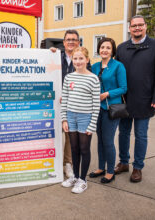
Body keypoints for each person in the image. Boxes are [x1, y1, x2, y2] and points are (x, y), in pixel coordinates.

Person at [114, 15, 155, 182]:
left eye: (140, 25)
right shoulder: (122, 48)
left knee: (141, 135)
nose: (137, 28)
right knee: (123, 133)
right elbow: (116, 73)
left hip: (145, 98)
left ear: (145, 27)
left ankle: (137, 167)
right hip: (124, 99)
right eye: (134, 25)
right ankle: (123, 163)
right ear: (129, 28)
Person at [50, 30, 91, 178]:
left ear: (78, 42)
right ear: (63, 42)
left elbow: (86, 81)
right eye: (68, 39)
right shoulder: (55, 55)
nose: (71, 42)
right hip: (52, 101)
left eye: (74, 39)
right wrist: (48, 53)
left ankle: (68, 164)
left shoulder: (82, 60)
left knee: (69, 136)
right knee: (53, 132)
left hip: (71, 104)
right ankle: (52, 163)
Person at [60, 47, 100, 194]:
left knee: (84, 149)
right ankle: (75, 177)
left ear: (87, 60)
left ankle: (83, 180)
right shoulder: (68, 77)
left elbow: (96, 104)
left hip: (85, 118)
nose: (78, 61)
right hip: (70, 116)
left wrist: (92, 124)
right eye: (75, 58)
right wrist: (64, 119)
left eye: (81, 58)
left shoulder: (93, 78)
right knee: (74, 149)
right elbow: (65, 100)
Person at [89, 38, 127, 184]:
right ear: (99, 49)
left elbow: (124, 88)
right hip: (97, 108)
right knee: (99, 140)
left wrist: (107, 94)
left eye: (108, 48)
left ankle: (110, 171)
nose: (104, 50)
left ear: (112, 51)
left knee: (108, 140)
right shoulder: (95, 66)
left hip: (111, 108)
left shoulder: (118, 66)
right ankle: (100, 167)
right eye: (102, 47)